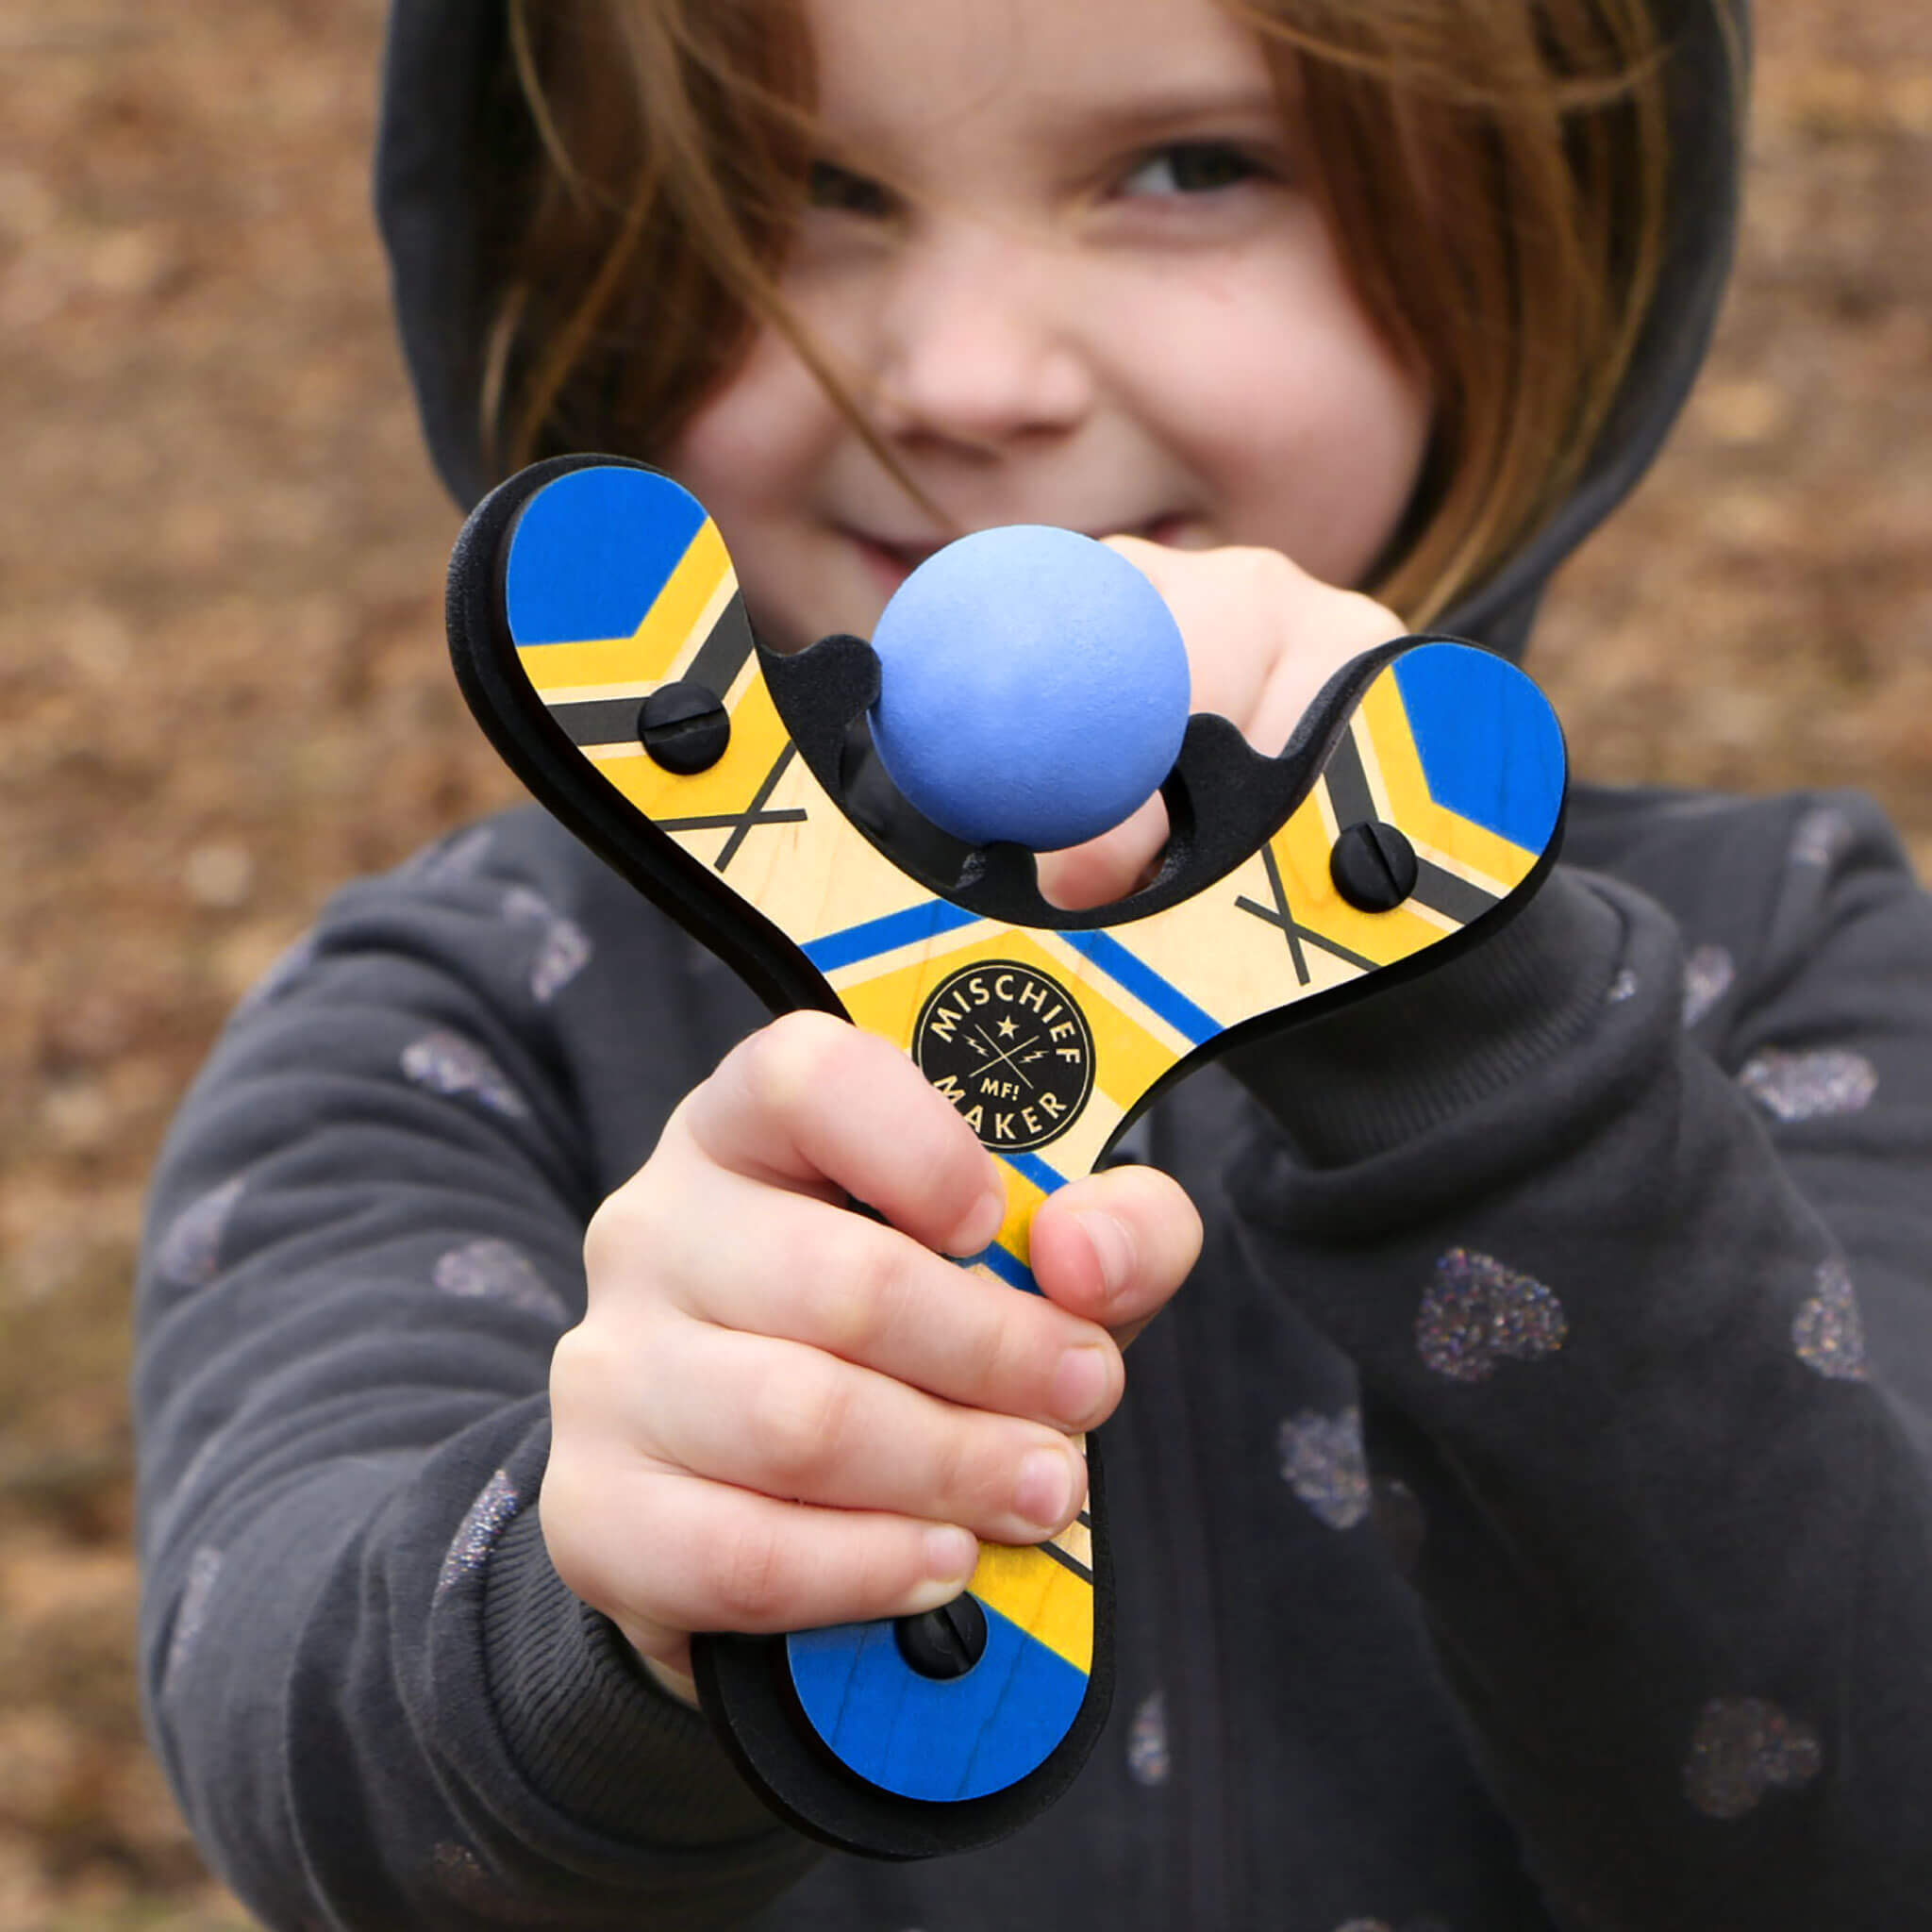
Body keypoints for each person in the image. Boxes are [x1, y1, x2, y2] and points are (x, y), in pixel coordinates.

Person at [133, 0, 1932, 1924]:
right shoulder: (466, 1014)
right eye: (806, 187)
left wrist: (1484, 1046)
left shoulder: (1777, 968)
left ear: (1540, 234)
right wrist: (615, 1620)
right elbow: (302, 1726)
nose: (966, 377)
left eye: (1187, 169)